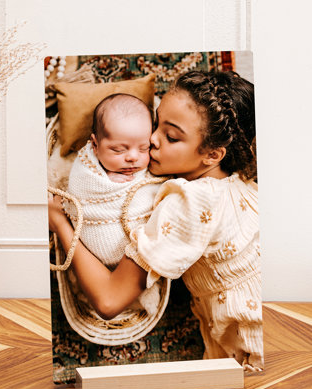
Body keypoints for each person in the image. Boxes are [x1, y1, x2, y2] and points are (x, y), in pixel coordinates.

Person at [49, 70, 263, 372]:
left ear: (213, 154)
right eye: (156, 123)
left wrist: (59, 222)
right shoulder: (238, 176)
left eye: (171, 136)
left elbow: (109, 301)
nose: (151, 140)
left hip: (253, 338)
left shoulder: (185, 204)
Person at [63, 93, 165, 314]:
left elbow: (156, 188)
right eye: (119, 150)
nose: (132, 158)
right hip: (93, 248)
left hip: (134, 259)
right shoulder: (86, 168)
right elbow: (79, 192)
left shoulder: (149, 168)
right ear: (95, 145)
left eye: (143, 148)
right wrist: (107, 179)